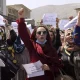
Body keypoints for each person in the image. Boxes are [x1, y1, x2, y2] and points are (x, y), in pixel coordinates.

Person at [17, 8, 62, 80]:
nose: (42, 34)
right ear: (35, 35)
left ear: (46, 35)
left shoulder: (52, 49)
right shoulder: (32, 46)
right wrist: (21, 18)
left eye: (44, 32)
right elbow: (23, 34)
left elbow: (58, 66)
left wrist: (49, 67)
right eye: (39, 32)